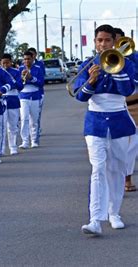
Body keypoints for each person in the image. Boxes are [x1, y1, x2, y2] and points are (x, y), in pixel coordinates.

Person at [74, 24, 135, 235]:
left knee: (116, 168)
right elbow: (80, 96)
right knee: (98, 168)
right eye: (99, 40)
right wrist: (91, 80)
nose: (102, 44)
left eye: (106, 40)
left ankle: (114, 213)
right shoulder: (87, 64)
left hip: (119, 120)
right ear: (95, 42)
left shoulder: (125, 64)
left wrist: (114, 70)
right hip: (94, 122)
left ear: (114, 42)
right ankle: (95, 220)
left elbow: (128, 89)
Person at [115, 27, 137, 192]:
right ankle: (116, 175)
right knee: (118, 145)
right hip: (114, 106)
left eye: (119, 41)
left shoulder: (134, 57)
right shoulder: (102, 58)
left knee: (132, 144)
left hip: (134, 103)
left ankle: (127, 178)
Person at [18, 51, 44, 149]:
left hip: (35, 96)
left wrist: (31, 78)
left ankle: (34, 140)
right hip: (23, 96)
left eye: (28, 59)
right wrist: (22, 78)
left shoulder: (38, 69)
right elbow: (18, 83)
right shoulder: (20, 69)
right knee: (24, 118)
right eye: (24, 59)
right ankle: (25, 141)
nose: (26, 61)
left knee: (34, 120)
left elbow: (41, 83)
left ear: (33, 59)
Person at [0, 53, 23, 155]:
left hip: (13, 99)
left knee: (13, 126)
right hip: (2, 99)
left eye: (7, 62)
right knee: (1, 126)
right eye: (3, 63)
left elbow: (20, 86)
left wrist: (11, 81)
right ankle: (1, 149)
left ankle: (13, 147)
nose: (5, 65)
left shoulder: (16, 72)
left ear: (11, 62)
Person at [27, 47, 46, 144]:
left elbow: (42, 78)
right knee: (26, 117)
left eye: (33, 55)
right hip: (26, 95)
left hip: (39, 92)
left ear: (35, 55)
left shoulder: (39, 65)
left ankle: (36, 134)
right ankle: (28, 138)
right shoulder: (23, 66)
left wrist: (32, 78)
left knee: (36, 115)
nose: (31, 57)